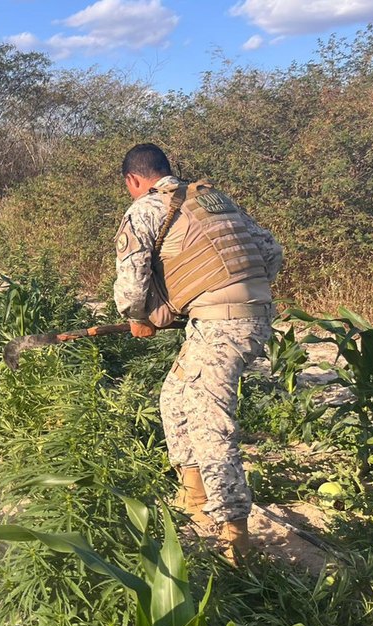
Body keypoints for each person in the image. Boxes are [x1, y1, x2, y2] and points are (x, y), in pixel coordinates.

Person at [112, 144, 283, 561]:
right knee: (175, 396)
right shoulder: (212, 199)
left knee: (209, 421)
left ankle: (234, 537)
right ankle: (193, 498)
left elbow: (132, 285)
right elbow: (271, 252)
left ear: (135, 180)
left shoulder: (146, 209)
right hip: (251, 314)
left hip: (222, 324)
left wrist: (140, 316)